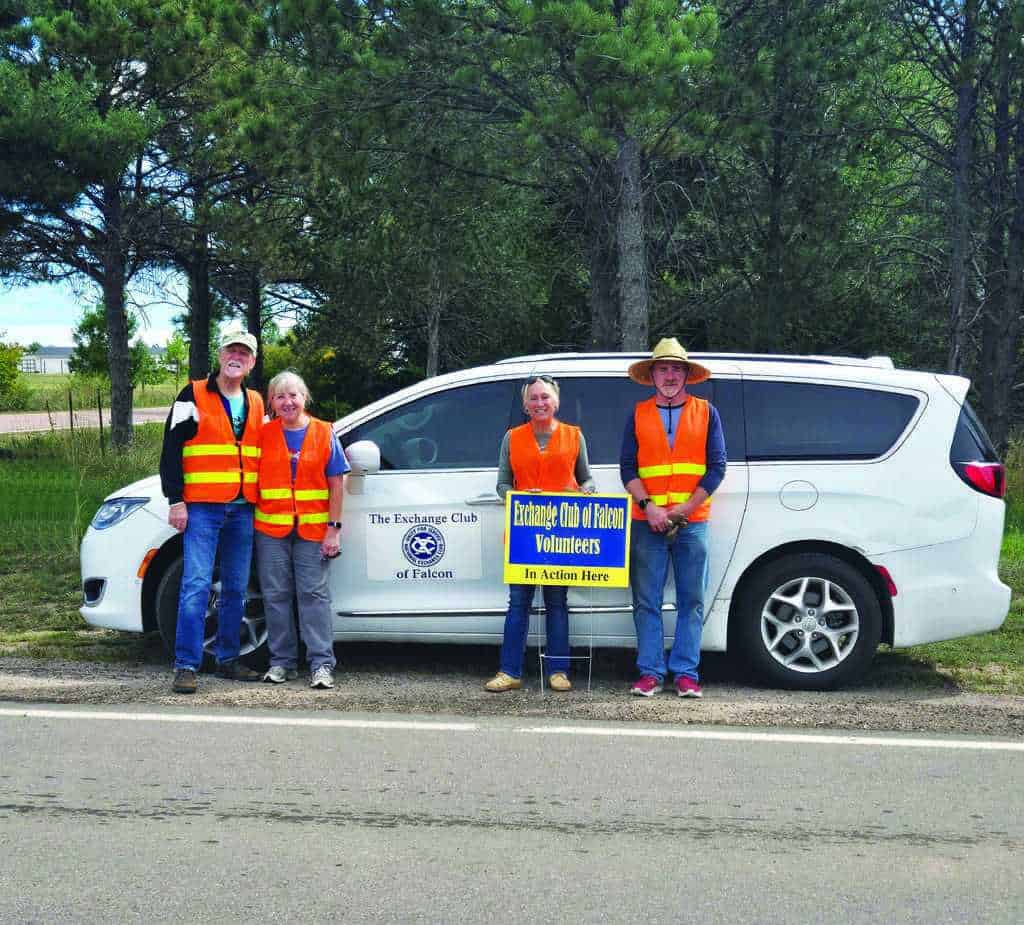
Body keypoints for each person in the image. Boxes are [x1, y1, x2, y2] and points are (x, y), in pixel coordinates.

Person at [620, 338, 727, 698]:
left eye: (676, 369)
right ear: (652, 374)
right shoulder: (638, 413)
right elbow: (627, 468)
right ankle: (650, 672)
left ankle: (686, 673)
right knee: (646, 601)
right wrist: (648, 505)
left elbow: (716, 469)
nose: (669, 375)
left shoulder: (706, 412)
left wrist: (684, 509)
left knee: (691, 601)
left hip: (691, 521)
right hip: (646, 520)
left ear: (686, 375)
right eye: (663, 368)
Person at [160, 330, 265, 694]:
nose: (237, 356)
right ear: (220, 355)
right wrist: (175, 499)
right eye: (231, 350)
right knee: (196, 586)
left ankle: (227, 659)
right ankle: (186, 665)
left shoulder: (256, 401)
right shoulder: (193, 394)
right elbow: (171, 448)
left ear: (251, 362)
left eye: (244, 352)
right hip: (202, 507)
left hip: (242, 508)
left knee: (236, 588)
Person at [485, 375, 596, 693]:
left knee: (557, 601)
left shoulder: (574, 436)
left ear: (556, 402)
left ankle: (558, 670)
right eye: (533, 398)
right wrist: (516, 497)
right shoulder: (512, 438)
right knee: (518, 602)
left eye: (545, 397)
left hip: (561, 534)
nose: (539, 403)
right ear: (525, 405)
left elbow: (586, 479)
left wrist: (585, 493)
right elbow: (502, 484)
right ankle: (510, 671)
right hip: (524, 531)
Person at [255, 371, 350, 689]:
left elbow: (337, 484)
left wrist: (333, 529)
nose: (287, 402)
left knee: (313, 596)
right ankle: (281, 662)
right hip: (271, 528)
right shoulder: (263, 434)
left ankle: (321, 664)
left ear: (304, 398)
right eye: (280, 396)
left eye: (293, 395)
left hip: (313, 530)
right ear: (271, 402)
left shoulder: (324, 432)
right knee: (276, 596)